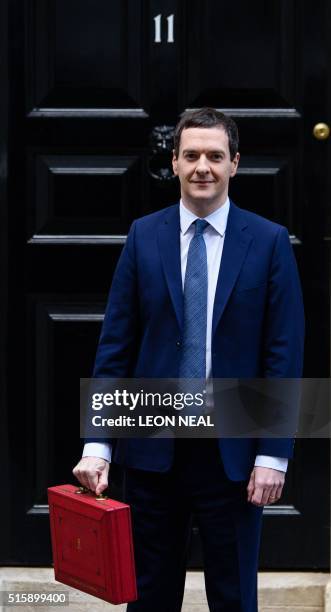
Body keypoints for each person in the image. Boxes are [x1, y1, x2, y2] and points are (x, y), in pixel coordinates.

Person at [73, 108, 305, 611]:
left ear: (235, 164)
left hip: (234, 457)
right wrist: (98, 443)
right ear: (174, 162)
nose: (203, 166)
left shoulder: (267, 242)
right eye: (192, 155)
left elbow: (282, 355)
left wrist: (273, 454)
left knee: (233, 595)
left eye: (215, 156)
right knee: (149, 594)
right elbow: (115, 346)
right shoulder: (144, 236)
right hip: (154, 452)